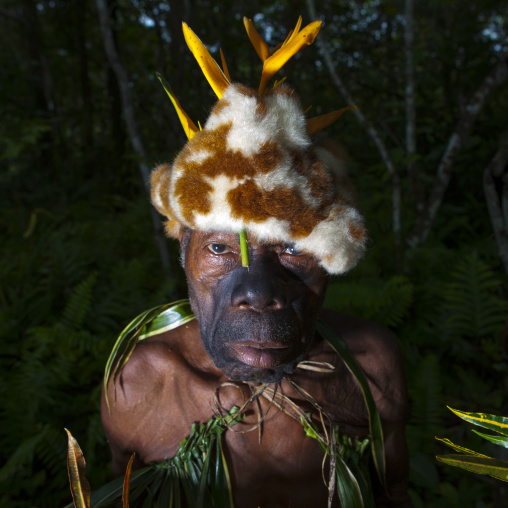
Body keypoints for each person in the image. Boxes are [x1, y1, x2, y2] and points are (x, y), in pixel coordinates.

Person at [101, 16, 411, 507]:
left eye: (293, 248)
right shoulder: (142, 383)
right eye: (221, 249)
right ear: (184, 251)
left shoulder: (370, 366)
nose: (258, 291)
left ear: (331, 259)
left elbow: (392, 489)